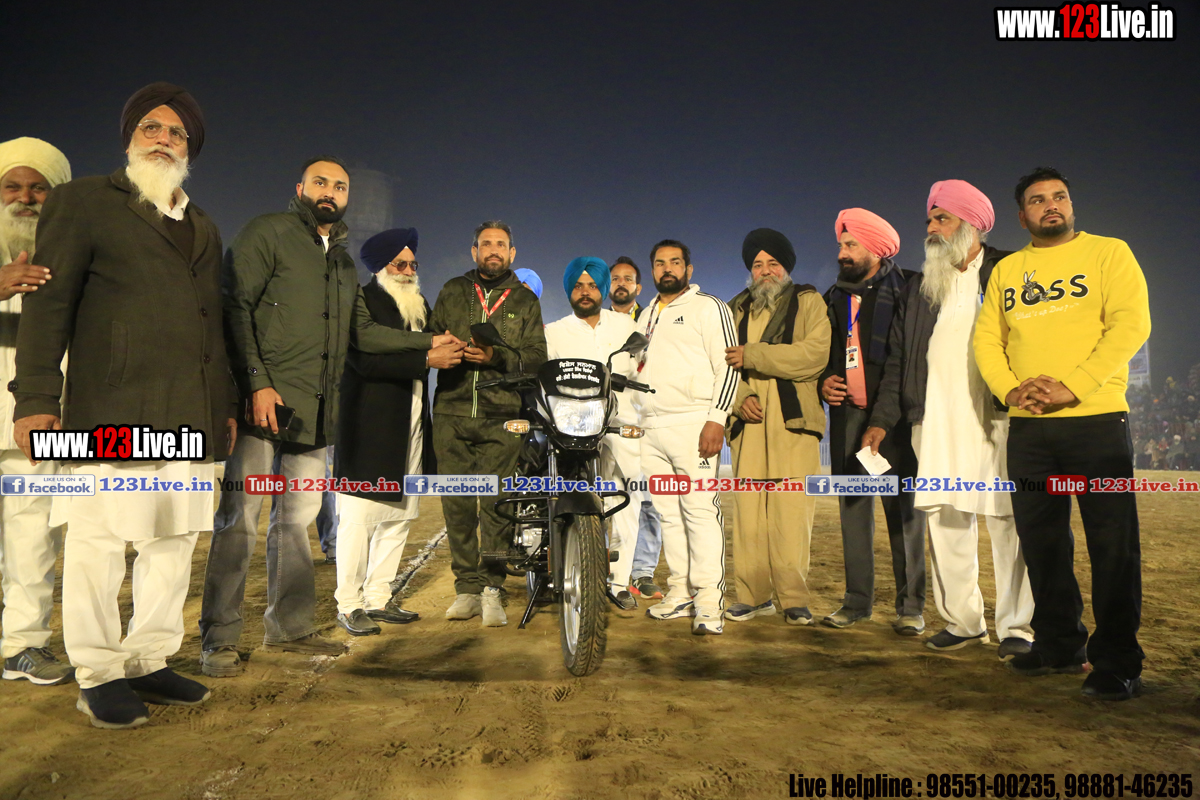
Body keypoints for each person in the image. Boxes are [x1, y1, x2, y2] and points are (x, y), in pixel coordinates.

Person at [13, 83, 234, 728]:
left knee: (174, 538)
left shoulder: (203, 224)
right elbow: (48, 308)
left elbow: (211, 322)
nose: (163, 140)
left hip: (188, 411)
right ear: (130, 137)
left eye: (176, 133)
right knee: (99, 539)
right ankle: (99, 672)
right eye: (150, 128)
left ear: (190, 148)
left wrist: (221, 406)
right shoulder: (83, 202)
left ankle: (148, 658)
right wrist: (35, 398)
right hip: (109, 408)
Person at [200, 157, 451, 675]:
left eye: (340, 186)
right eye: (321, 182)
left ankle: (289, 629)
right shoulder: (268, 233)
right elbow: (235, 306)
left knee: (296, 523)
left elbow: (364, 333)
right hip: (263, 405)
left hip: (312, 415)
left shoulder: (341, 264)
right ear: (300, 187)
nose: (330, 191)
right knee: (239, 521)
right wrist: (256, 383)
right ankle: (218, 640)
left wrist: (430, 342)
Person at [974, 167, 1151, 701]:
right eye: (1038, 200)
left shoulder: (1109, 253)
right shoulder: (1009, 270)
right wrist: (1012, 391)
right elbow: (987, 339)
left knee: (1112, 545)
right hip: (1029, 430)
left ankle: (1117, 660)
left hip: (1097, 421)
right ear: (1021, 215)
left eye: (1060, 197)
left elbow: (1131, 325)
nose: (1051, 205)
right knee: (1042, 542)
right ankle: (1058, 643)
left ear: (1071, 206)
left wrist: (1072, 387)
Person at [863, 180, 1034, 659]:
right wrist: (882, 420)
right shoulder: (920, 287)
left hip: (996, 418)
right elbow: (899, 360)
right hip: (933, 419)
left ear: (973, 223)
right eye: (930, 220)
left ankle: (1018, 627)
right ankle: (963, 622)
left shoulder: (1008, 270)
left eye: (943, 219)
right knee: (946, 519)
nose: (932, 228)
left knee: (1007, 522)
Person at [333, 227, 464, 635]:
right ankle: (348, 604)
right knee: (358, 518)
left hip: (411, 422)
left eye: (412, 264)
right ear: (381, 267)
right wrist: (425, 360)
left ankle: (378, 597)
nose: (408, 271)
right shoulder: (361, 301)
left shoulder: (418, 305)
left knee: (399, 515)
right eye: (400, 264)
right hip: (369, 425)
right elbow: (363, 361)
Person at [429, 221, 546, 627]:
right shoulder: (452, 291)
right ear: (474, 251)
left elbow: (537, 359)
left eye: (500, 244)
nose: (493, 250)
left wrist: (496, 357)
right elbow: (430, 340)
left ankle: (492, 589)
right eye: (486, 244)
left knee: (497, 506)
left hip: (502, 416)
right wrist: (443, 347)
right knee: (458, 506)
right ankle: (466, 589)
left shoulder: (525, 300)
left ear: (512, 253)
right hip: (452, 412)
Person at [819, 208, 926, 635]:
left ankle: (910, 607)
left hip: (895, 419)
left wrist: (882, 419)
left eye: (851, 245)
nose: (842, 253)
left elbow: (904, 361)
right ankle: (856, 602)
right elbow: (827, 354)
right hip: (847, 417)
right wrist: (825, 381)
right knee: (853, 510)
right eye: (840, 245)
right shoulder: (833, 297)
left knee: (905, 515)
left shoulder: (910, 289)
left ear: (876, 249)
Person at [724, 229, 829, 625]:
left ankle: (793, 599)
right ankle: (752, 597)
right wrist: (739, 398)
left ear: (786, 268)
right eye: (757, 265)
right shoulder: (734, 309)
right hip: (748, 423)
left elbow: (813, 356)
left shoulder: (808, 301)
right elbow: (719, 362)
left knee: (790, 514)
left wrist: (753, 355)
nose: (765, 271)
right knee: (749, 515)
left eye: (773, 263)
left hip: (792, 422)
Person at [633, 239, 737, 635]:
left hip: (693, 424)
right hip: (651, 428)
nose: (667, 269)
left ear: (688, 270)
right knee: (669, 516)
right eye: (660, 263)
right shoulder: (646, 315)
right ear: (653, 271)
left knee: (699, 512)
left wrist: (717, 419)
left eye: (675, 262)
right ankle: (681, 592)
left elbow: (727, 366)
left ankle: (709, 602)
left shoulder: (709, 307)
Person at [0, 137, 72, 687]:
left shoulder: (73, 251)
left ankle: (22, 644)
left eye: (39, 188)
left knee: (33, 535)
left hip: (38, 415)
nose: (25, 198)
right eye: (12, 186)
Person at [544, 257, 640, 610]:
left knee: (627, 497)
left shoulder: (626, 326)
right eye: (578, 286)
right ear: (569, 290)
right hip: (575, 427)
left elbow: (643, 368)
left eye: (592, 285)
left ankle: (619, 581)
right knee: (575, 497)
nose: (585, 292)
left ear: (602, 289)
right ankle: (577, 571)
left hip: (622, 421)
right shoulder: (554, 332)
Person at [609, 255, 663, 599]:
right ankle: (610, 569)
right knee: (609, 498)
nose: (621, 284)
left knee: (649, 500)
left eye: (628, 279)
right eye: (615, 278)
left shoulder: (651, 322)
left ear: (638, 287)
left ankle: (642, 571)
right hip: (607, 423)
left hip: (645, 421)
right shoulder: (595, 324)